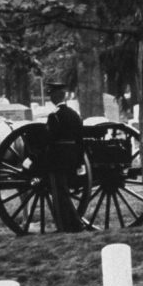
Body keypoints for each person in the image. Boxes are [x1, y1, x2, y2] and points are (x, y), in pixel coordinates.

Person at [45, 82, 86, 230]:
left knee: (60, 194)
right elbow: (80, 141)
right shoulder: (74, 115)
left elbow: (50, 140)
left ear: (55, 97)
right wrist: (80, 161)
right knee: (62, 193)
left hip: (57, 160)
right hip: (73, 158)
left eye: (51, 95)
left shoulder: (54, 116)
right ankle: (71, 224)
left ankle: (71, 224)